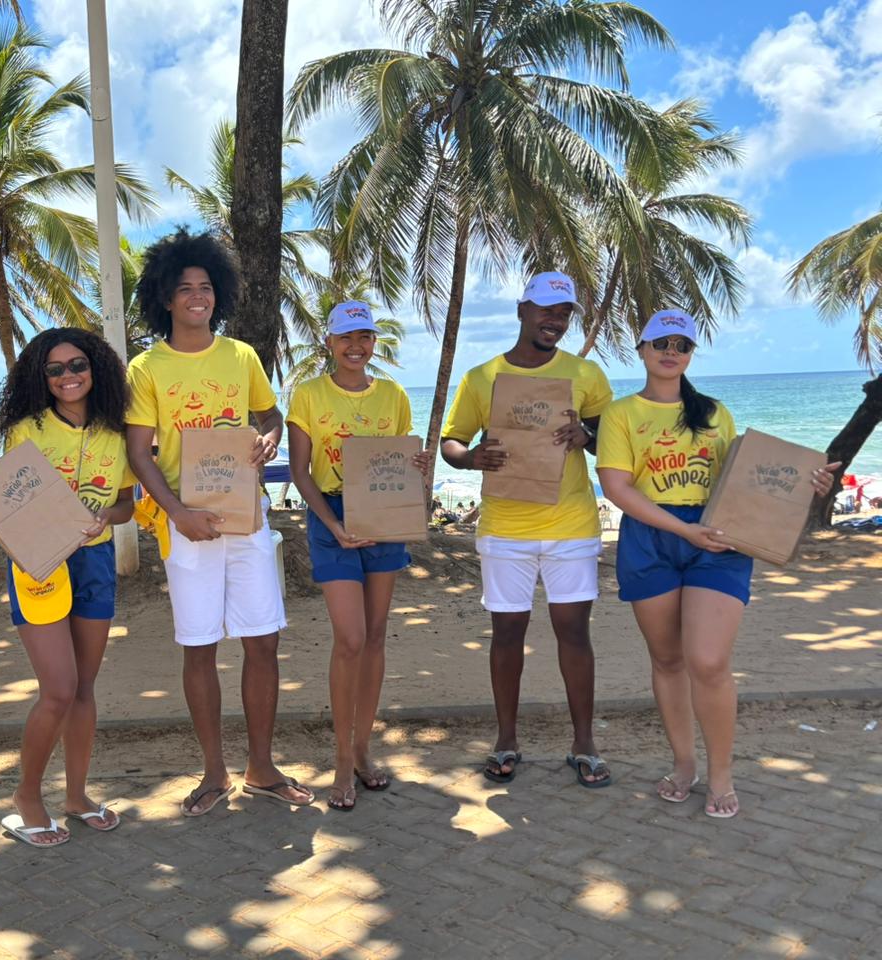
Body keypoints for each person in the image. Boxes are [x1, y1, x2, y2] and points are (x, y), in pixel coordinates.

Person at [596, 310, 837, 817]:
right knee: (667, 660)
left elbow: (747, 480)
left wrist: (807, 484)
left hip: (719, 541)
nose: (671, 350)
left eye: (682, 343)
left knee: (707, 661)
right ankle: (685, 764)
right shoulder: (621, 414)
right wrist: (683, 529)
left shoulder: (713, 413)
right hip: (653, 536)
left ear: (690, 355)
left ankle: (722, 773)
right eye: (660, 341)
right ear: (641, 349)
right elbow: (618, 489)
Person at [125, 227, 313, 816]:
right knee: (199, 647)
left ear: (219, 294)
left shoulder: (242, 355)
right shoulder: (146, 368)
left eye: (206, 287)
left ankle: (262, 766)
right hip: (189, 526)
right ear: (164, 297)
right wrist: (176, 511)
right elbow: (137, 452)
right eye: (184, 289)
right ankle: (213, 772)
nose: (197, 297)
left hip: (247, 520)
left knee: (263, 642)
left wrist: (270, 438)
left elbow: (271, 415)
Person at [440, 272, 613, 787]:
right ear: (521, 311)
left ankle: (584, 743)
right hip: (504, 528)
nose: (554, 320)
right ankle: (506, 739)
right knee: (507, 633)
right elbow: (452, 441)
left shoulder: (586, 374)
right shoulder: (481, 377)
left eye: (563, 313)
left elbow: (612, 440)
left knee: (573, 633)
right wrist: (472, 458)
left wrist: (587, 434)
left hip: (571, 524)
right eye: (545, 310)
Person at [0, 328, 134, 845]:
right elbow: (6, 503)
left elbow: (126, 502)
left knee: (83, 688)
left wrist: (108, 515)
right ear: (41, 378)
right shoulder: (27, 429)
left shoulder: (116, 432)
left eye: (77, 365)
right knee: (58, 689)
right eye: (55, 369)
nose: (68, 377)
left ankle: (77, 795)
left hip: (95, 563)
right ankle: (27, 795)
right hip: (38, 566)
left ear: (96, 369)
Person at [287, 301, 433, 811]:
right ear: (328, 343)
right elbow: (301, 471)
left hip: (383, 518)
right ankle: (342, 760)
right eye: (346, 337)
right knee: (348, 638)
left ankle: (365, 748)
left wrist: (416, 465)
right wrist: (333, 524)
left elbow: (396, 464)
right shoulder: (307, 395)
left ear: (374, 343)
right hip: (332, 516)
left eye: (365, 337)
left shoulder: (392, 395)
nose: (356, 346)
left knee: (373, 637)